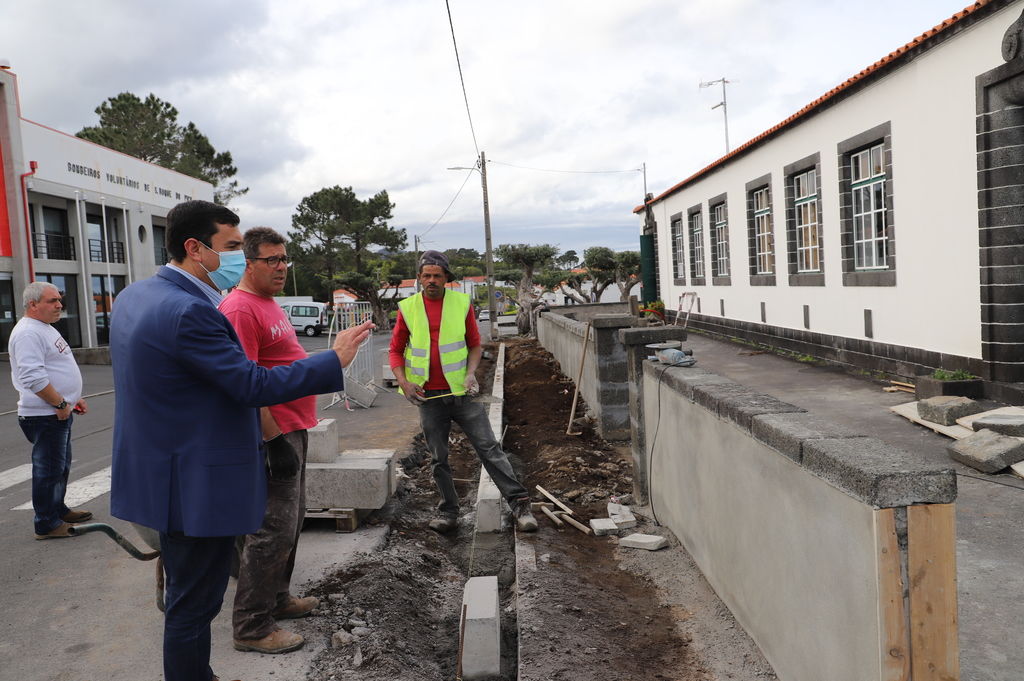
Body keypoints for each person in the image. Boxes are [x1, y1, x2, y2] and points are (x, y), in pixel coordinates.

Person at [109, 200, 373, 681]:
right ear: (195, 248)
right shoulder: (192, 311)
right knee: (194, 605)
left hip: (158, 470)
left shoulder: (136, 296)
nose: (239, 257)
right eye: (231, 247)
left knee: (190, 600)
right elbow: (250, 384)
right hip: (192, 485)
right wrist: (332, 359)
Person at [219, 227, 319, 654]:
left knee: (290, 524)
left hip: (294, 425)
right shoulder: (240, 309)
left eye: (284, 259)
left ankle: (278, 598)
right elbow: (245, 382)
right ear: (249, 262)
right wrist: (273, 439)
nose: (281, 267)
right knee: (270, 530)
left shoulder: (266, 303)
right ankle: (251, 626)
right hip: (273, 433)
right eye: (272, 260)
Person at [390, 250, 537, 534]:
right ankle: (449, 513)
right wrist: (405, 383)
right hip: (429, 398)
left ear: (447, 278)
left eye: (437, 275)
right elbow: (396, 351)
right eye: (426, 275)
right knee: (438, 458)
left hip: (462, 394)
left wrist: (470, 374)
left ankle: (520, 506)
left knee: (489, 448)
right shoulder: (407, 308)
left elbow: (474, 345)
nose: (431, 280)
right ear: (419, 278)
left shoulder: (461, 304)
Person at [8, 282, 90, 540]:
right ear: (33, 305)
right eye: (52, 301)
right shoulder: (28, 333)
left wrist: (73, 398)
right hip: (45, 415)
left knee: (59, 467)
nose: (59, 306)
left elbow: (53, 368)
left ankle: (57, 510)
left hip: (55, 411)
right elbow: (32, 376)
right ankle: (46, 523)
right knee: (48, 470)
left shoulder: (42, 328)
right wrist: (60, 403)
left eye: (59, 300)